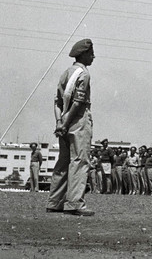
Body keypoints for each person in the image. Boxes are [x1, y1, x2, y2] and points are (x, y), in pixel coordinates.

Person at [46, 38, 96, 216]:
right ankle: (75, 203)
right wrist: (67, 122)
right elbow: (78, 102)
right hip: (78, 119)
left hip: (63, 121)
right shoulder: (84, 74)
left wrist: (60, 122)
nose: (93, 57)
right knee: (80, 160)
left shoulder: (66, 73)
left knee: (63, 161)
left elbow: (57, 102)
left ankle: (55, 201)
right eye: (91, 54)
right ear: (83, 54)